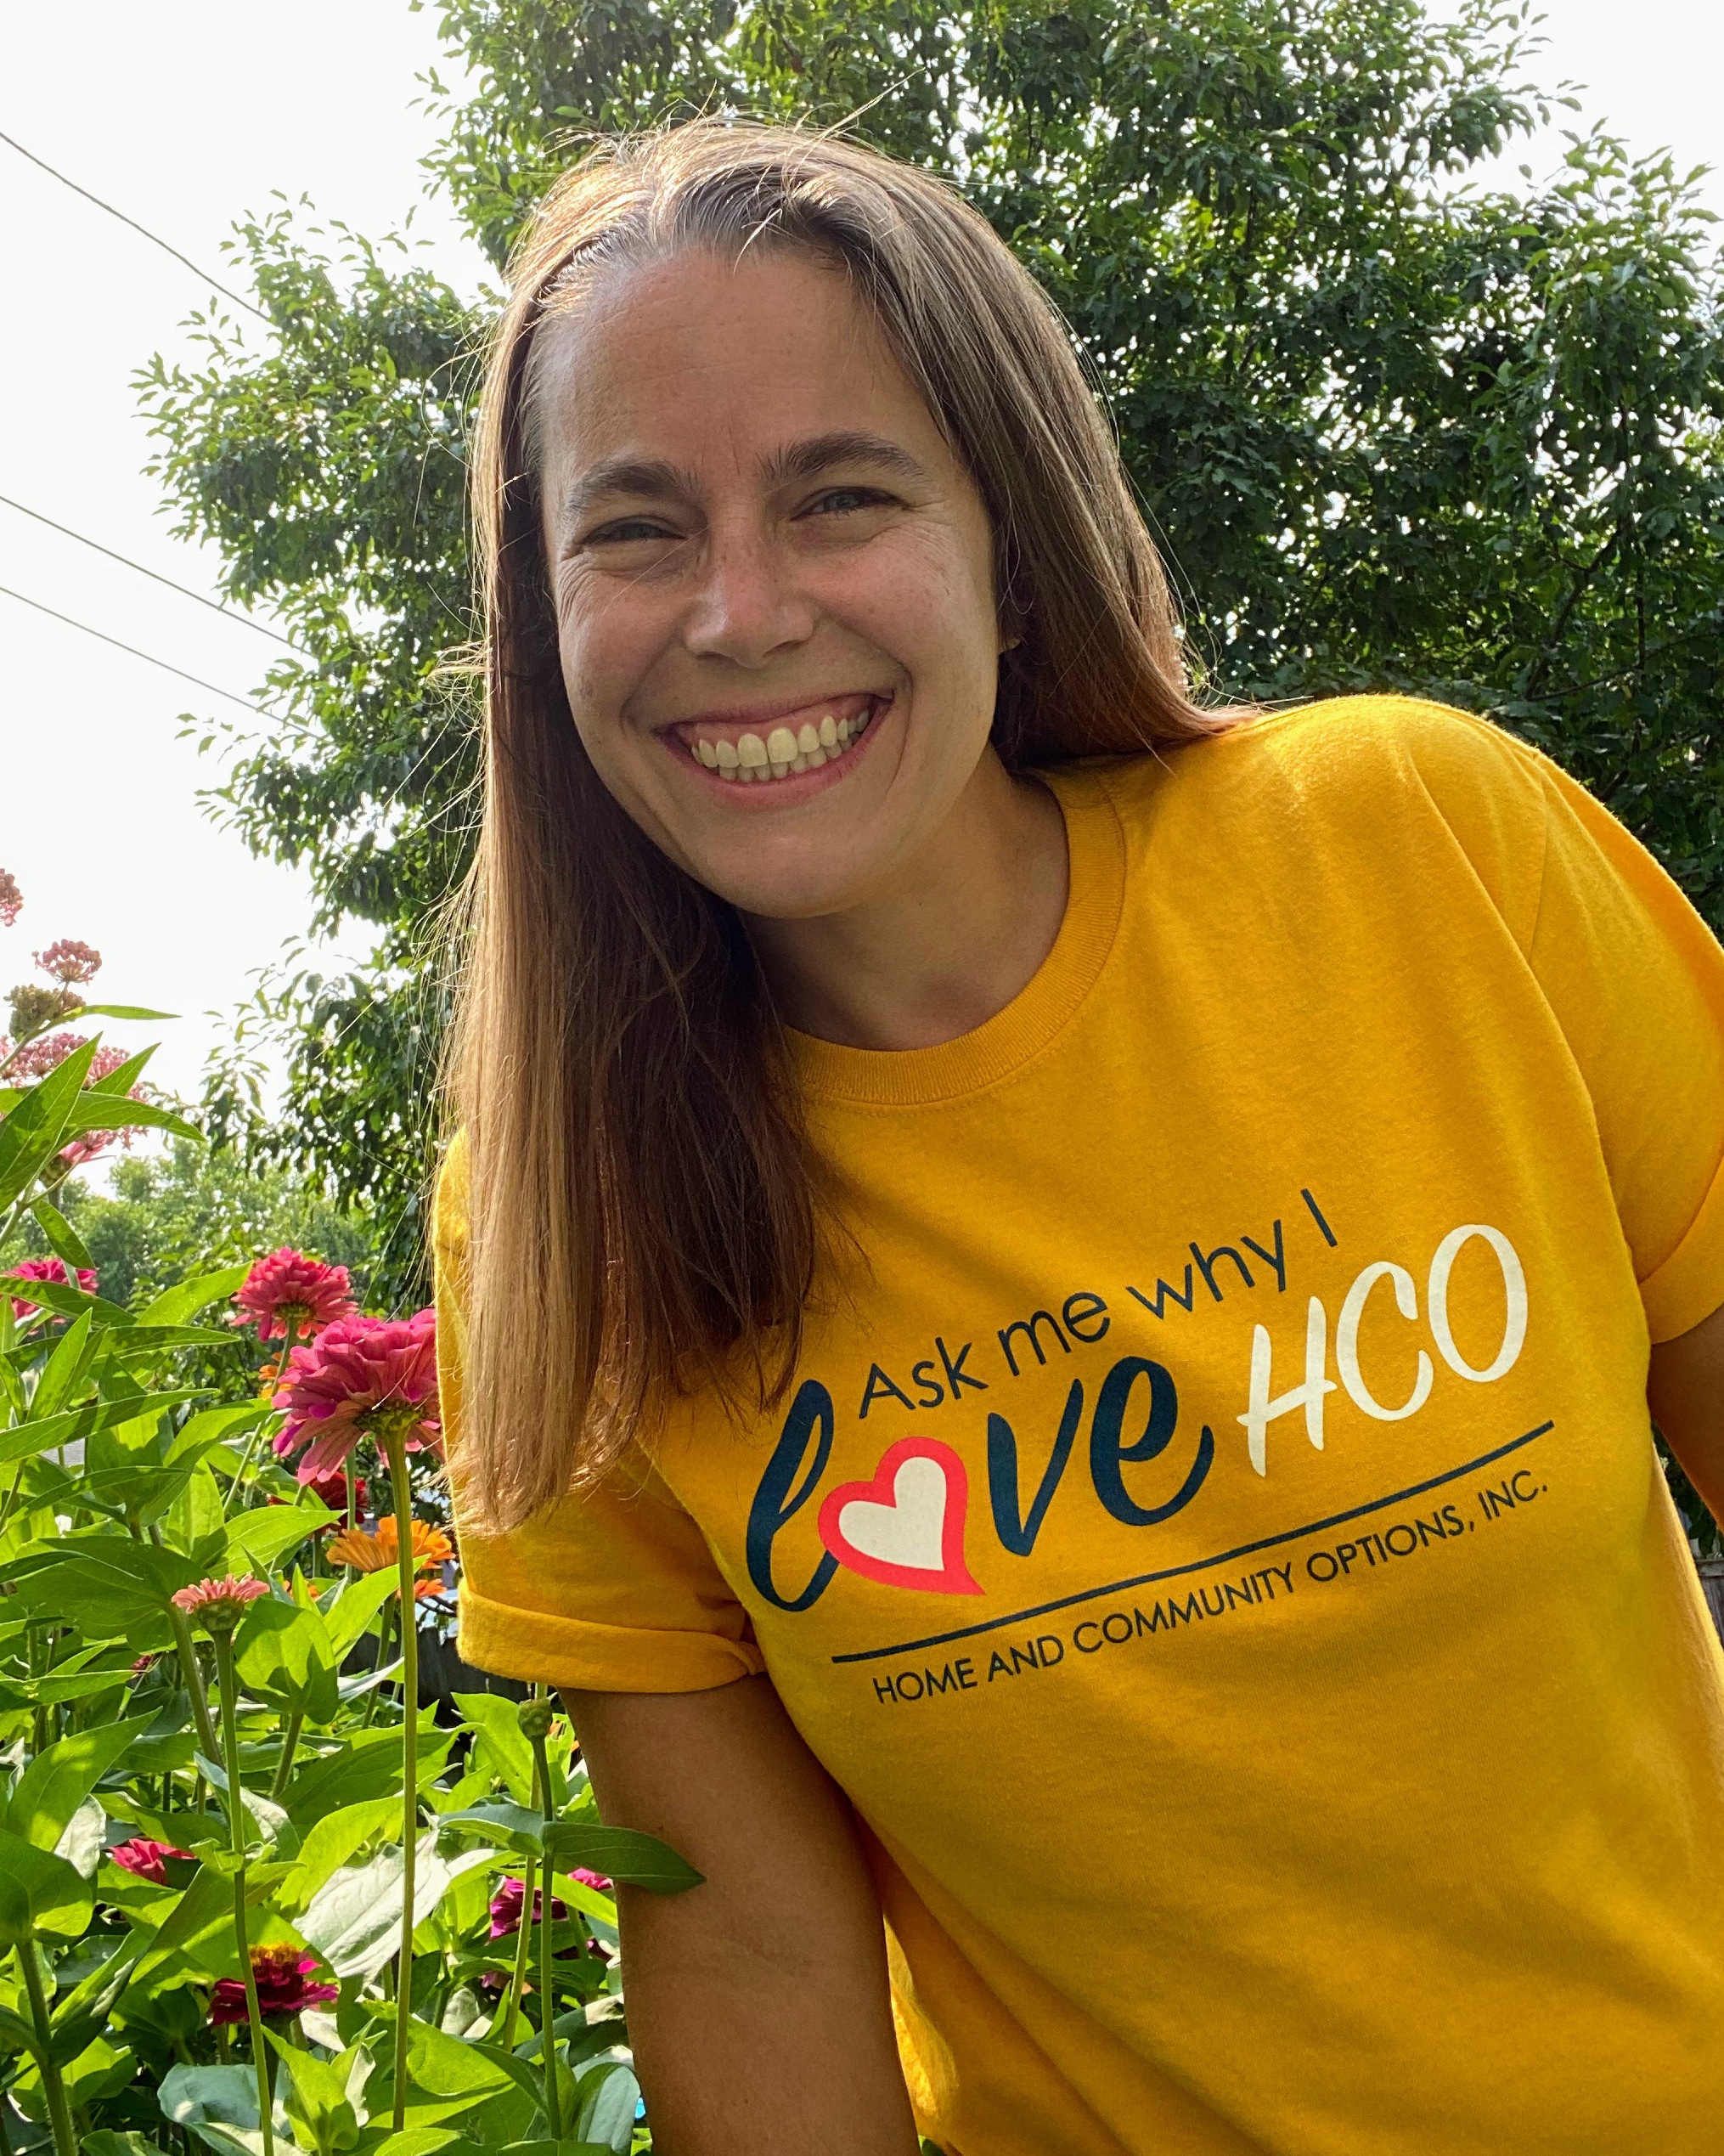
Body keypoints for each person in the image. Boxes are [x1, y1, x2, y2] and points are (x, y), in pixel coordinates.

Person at [437, 120, 1724, 2155]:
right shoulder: (562, 1220)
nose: (741, 613)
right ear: (545, 619)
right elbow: (753, 1956)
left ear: (1009, 549)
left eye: (840, 495)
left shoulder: (1418, 848)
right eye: (637, 530)